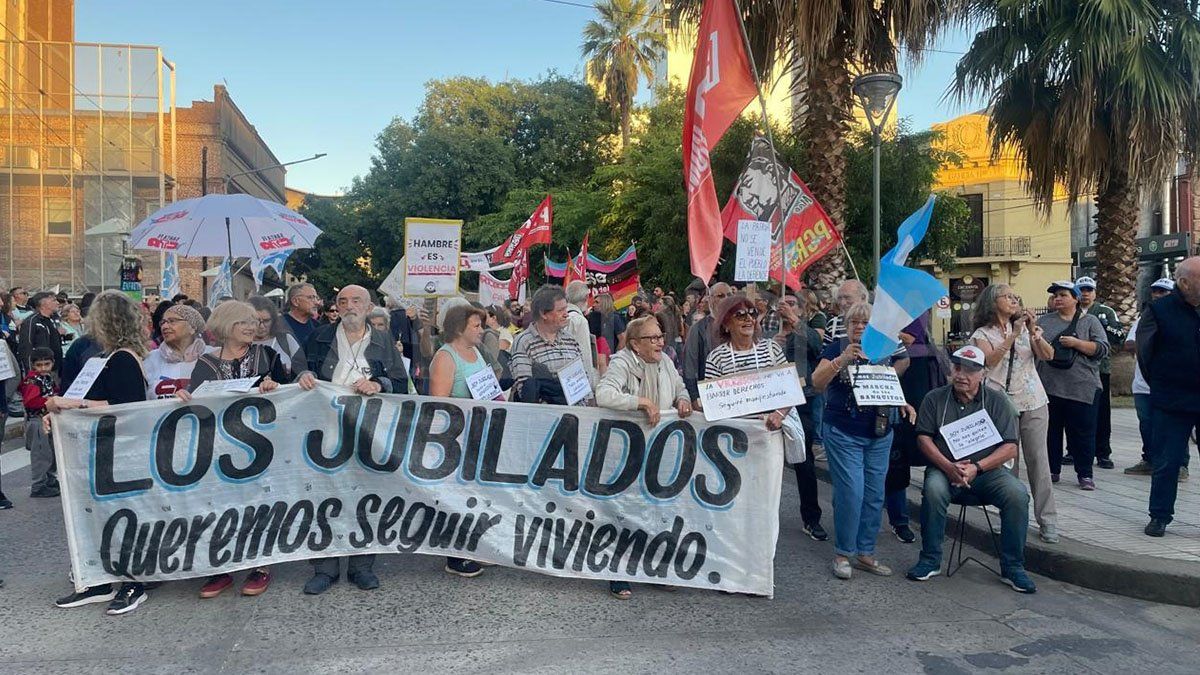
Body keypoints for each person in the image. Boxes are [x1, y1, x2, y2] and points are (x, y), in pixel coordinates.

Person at [298, 284, 410, 594]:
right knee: (323, 498)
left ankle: (361, 566)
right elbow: (295, 370)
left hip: (367, 432)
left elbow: (401, 383)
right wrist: (301, 377)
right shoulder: (318, 337)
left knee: (365, 498)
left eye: (356, 300)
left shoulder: (383, 340)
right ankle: (325, 568)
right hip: (324, 431)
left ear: (368, 306)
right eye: (343, 301)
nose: (349, 306)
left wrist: (379, 383)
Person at [46, 290, 150, 615]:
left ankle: (133, 582)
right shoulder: (108, 356)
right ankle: (101, 578)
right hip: (102, 447)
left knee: (122, 513)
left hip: (120, 449)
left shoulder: (122, 358)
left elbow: (127, 404)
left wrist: (72, 404)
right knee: (100, 514)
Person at [177, 300, 289, 598]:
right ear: (226, 327)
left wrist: (275, 387)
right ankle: (220, 568)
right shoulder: (206, 364)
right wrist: (184, 396)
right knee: (218, 504)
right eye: (244, 323)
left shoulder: (267, 356)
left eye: (254, 322)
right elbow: (198, 402)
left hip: (262, 445)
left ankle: (261, 564)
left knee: (259, 503)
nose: (253, 328)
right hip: (218, 448)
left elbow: (292, 395)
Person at [905, 346, 1036, 594]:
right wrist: (947, 466)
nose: (962, 375)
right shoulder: (935, 398)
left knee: (1017, 494)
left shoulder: (997, 401)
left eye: (970, 370)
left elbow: (1010, 448)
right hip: (944, 470)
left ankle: (1013, 568)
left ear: (983, 374)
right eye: (957, 368)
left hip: (986, 473)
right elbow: (923, 439)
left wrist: (977, 467)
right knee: (932, 489)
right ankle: (930, 559)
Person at [811, 302, 914, 581]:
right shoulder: (837, 346)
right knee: (851, 494)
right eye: (854, 322)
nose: (860, 327)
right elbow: (817, 382)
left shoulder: (884, 351)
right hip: (844, 431)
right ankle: (843, 553)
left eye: (866, 322)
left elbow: (887, 383)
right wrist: (841, 360)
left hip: (879, 432)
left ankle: (865, 552)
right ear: (846, 326)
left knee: (874, 495)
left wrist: (902, 403)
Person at [971, 284, 1060, 543]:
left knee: (1039, 461)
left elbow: (1048, 355)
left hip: (1033, 400)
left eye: (1015, 297)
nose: (1013, 300)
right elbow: (989, 362)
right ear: (992, 301)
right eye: (1007, 296)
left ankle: (1048, 520)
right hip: (1000, 404)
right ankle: (1009, 517)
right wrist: (1013, 335)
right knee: (1007, 464)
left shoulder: (1026, 330)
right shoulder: (982, 334)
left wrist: (1034, 334)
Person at [428, 303, 502, 579]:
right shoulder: (446, 357)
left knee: (477, 494)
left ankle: (476, 545)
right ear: (460, 328)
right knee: (457, 496)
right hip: (456, 437)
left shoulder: (474, 352)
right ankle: (455, 553)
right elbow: (439, 404)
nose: (481, 330)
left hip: (479, 432)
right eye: (476, 325)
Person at [1138, 257, 1200, 537]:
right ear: (1184, 282)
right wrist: (1164, 383)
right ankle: (1159, 516)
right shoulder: (1159, 309)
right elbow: (1145, 354)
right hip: (1171, 399)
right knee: (1167, 461)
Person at [1036, 281, 1108, 489]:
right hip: (1050, 387)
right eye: (1055, 295)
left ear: (1075, 299)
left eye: (1063, 295)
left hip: (1082, 387)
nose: (1057, 299)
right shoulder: (1045, 321)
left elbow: (1103, 349)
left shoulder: (1091, 321)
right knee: (1051, 432)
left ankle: (1085, 474)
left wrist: (1077, 343)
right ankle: (1052, 470)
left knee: (1083, 433)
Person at [886, 312, 947, 544]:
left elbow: (911, 339)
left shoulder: (915, 308)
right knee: (897, 457)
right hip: (894, 379)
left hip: (916, 380)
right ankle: (900, 520)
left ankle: (928, 519)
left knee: (924, 447)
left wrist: (885, 332)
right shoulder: (885, 308)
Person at [776, 293, 828, 541]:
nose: (786, 307)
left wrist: (795, 322)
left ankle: (811, 518)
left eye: (792, 303)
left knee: (804, 462)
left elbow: (819, 349)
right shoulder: (766, 326)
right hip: (771, 404)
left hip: (801, 401)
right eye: (782, 303)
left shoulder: (806, 328)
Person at [1124, 278, 1179, 476]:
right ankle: (1149, 460)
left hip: (1171, 385)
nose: (1157, 295)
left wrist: (1148, 344)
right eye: (1155, 291)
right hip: (1143, 385)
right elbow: (1130, 344)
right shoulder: (1143, 319)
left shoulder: (1179, 318)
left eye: (1163, 292)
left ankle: (1181, 465)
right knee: (1146, 424)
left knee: (1174, 426)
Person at [509, 285, 594, 405]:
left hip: (575, 416)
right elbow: (524, 391)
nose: (566, 314)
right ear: (544, 314)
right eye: (560, 310)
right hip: (543, 419)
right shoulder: (524, 342)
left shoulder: (570, 340)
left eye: (566, 309)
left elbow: (583, 383)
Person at [1075, 276, 1125, 469]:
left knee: (1102, 413)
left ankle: (1103, 453)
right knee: (1075, 413)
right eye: (1081, 290)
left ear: (1095, 292)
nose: (1085, 293)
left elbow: (1119, 337)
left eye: (1089, 289)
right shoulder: (1071, 311)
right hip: (1074, 371)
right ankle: (1074, 450)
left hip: (1099, 369)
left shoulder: (1105, 311)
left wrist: (1106, 326)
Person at [681, 282, 732, 408]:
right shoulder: (699, 329)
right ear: (710, 300)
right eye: (720, 296)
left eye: (729, 295)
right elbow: (689, 366)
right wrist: (694, 397)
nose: (726, 299)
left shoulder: (740, 325)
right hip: (710, 396)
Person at [142, 304, 207, 399]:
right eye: (163, 322)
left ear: (192, 328)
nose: (165, 326)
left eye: (172, 321)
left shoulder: (210, 356)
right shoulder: (151, 359)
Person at [21, 347, 59, 498]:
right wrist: (48, 401)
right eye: (39, 365)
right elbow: (30, 401)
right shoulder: (32, 381)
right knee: (41, 454)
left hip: (48, 419)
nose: (43, 368)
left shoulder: (48, 378)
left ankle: (49, 478)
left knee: (50, 451)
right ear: (33, 365)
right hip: (37, 421)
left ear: (52, 363)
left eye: (46, 364)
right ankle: (38, 484)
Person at [16, 291, 63, 372]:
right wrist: (30, 372)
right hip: (40, 368)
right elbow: (26, 347)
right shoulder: (32, 321)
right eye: (54, 300)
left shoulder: (52, 320)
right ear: (43, 303)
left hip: (54, 367)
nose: (57, 303)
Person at [565, 280, 597, 375]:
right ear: (586, 297)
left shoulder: (560, 316)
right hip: (577, 378)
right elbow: (585, 354)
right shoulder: (579, 321)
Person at [823, 280, 869, 345]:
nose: (843, 303)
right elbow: (825, 353)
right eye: (839, 298)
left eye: (847, 297)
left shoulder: (876, 323)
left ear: (863, 298)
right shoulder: (833, 324)